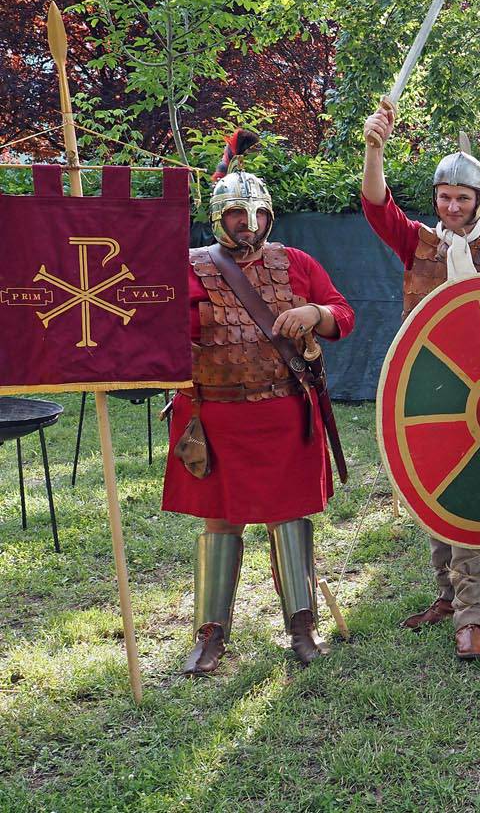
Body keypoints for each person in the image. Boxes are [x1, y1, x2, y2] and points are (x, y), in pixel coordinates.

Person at [164, 165, 354, 673]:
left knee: (289, 517)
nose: (247, 223)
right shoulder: (187, 267)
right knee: (220, 522)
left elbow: (344, 314)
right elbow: (156, 332)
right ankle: (211, 635)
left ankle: (301, 626)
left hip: (283, 410)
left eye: (257, 213)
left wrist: (315, 313)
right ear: (216, 217)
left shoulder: (296, 263)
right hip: (214, 416)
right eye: (235, 213)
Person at [361, 100, 480, 661]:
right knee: (433, 492)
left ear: (478, 201)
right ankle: (445, 595)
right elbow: (376, 205)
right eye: (444, 197)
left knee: (469, 503)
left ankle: (472, 614)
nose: (452, 207)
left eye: (462, 198)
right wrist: (374, 149)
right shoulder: (420, 244)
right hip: (426, 391)